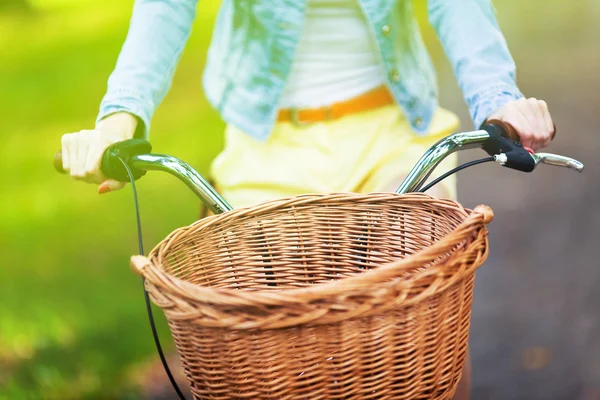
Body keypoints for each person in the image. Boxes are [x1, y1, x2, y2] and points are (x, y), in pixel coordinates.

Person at [59, 0, 556, 398]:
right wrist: (119, 121)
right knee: (251, 344)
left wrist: (497, 101)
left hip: (389, 131)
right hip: (267, 146)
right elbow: (166, 8)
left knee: (423, 317)